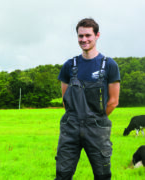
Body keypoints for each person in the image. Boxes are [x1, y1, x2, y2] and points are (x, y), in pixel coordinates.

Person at [55, 18, 120, 180]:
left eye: (88, 35)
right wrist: (76, 118)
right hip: (71, 129)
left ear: (97, 35)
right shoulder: (69, 66)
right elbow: (66, 99)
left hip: (96, 129)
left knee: (102, 175)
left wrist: (96, 119)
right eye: (80, 36)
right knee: (62, 174)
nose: (84, 40)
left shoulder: (109, 65)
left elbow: (113, 101)